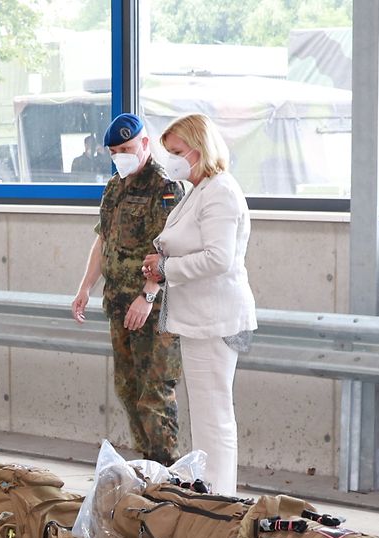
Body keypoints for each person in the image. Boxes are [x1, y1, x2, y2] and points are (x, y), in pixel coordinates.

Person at [140, 113, 255, 497]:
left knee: (214, 417)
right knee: (206, 416)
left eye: (175, 152)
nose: (169, 159)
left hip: (214, 319)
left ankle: (221, 502)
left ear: (198, 148)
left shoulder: (220, 192)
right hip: (198, 319)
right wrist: (159, 265)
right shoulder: (199, 190)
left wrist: (167, 268)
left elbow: (219, 258)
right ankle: (213, 494)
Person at [71, 113, 183, 465]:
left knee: (155, 393)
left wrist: (148, 295)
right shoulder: (115, 187)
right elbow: (103, 240)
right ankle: (146, 464)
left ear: (144, 144)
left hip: (153, 310)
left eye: (127, 148)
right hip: (119, 304)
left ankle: (166, 470)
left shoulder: (164, 188)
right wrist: (85, 287)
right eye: (115, 150)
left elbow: (168, 248)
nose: (121, 155)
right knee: (127, 389)